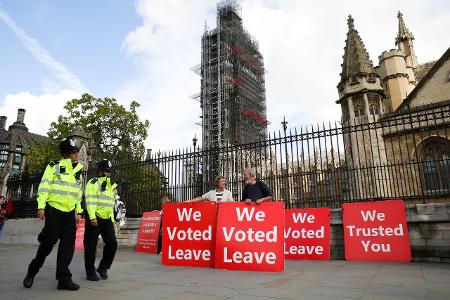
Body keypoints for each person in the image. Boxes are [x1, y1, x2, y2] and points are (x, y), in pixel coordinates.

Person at [23, 138, 83, 291]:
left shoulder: (78, 172)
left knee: (67, 247)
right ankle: (32, 271)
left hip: (69, 214)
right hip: (54, 210)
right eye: (74, 151)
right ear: (67, 153)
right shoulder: (54, 167)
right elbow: (44, 187)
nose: (77, 153)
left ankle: (63, 279)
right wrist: (41, 206)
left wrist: (78, 212)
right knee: (48, 244)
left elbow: (78, 194)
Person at [83, 159, 118, 281]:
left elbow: (111, 204)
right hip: (95, 217)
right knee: (90, 246)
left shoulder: (110, 186)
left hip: (107, 219)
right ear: (101, 171)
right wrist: (92, 217)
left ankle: (103, 268)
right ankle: (90, 272)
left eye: (110, 171)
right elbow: (90, 201)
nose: (109, 173)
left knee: (112, 243)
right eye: (107, 171)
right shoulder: (93, 183)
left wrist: (112, 219)